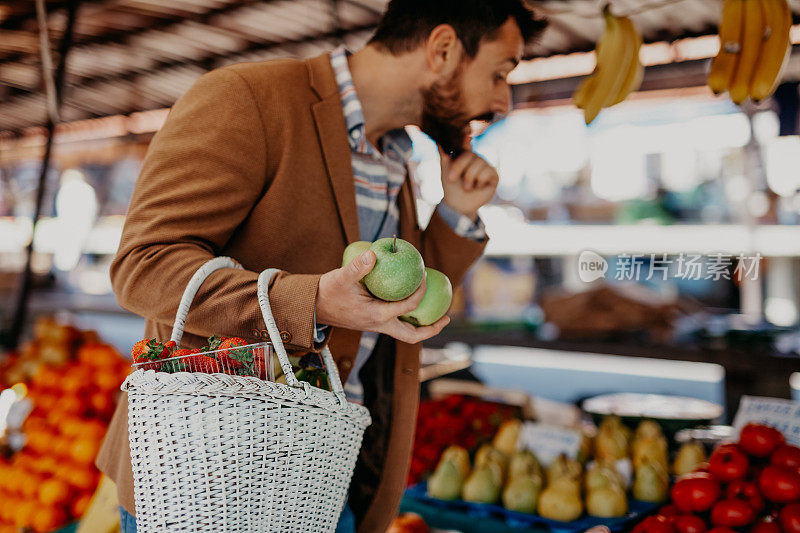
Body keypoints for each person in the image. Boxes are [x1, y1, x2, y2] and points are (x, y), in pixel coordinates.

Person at [96, 1, 546, 532]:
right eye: (499, 72)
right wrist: (311, 302)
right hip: (212, 485)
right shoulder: (247, 98)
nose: (503, 100)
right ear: (442, 49)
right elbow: (143, 264)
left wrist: (455, 214)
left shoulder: (393, 154)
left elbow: (395, 304)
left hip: (325, 480)